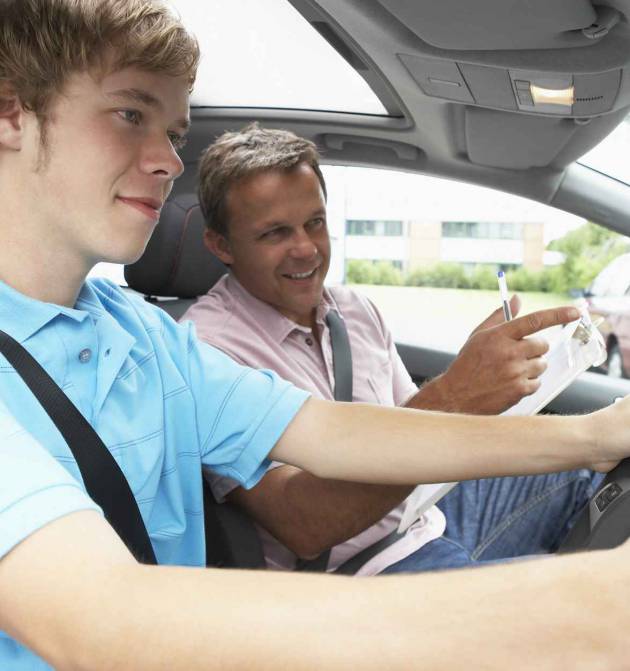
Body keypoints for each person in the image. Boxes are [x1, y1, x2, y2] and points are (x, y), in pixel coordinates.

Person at [1, 1, 630, 669]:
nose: (166, 161)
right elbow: (101, 622)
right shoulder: (192, 332)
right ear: (12, 112)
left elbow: (334, 431)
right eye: (130, 114)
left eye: (174, 133)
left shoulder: (141, 333)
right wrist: (591, 606)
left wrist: (592, 435)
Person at [183, 123, 603, 575]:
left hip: (423, 516)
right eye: (275, 233)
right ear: (220, 245)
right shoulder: (205, 350)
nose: (305, 249)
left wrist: (490, 390)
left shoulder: (354, 310)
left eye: (315, 223)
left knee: (599, 476)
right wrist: (457, 394)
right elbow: (305, 526)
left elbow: (415, 428)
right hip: (357, 576)